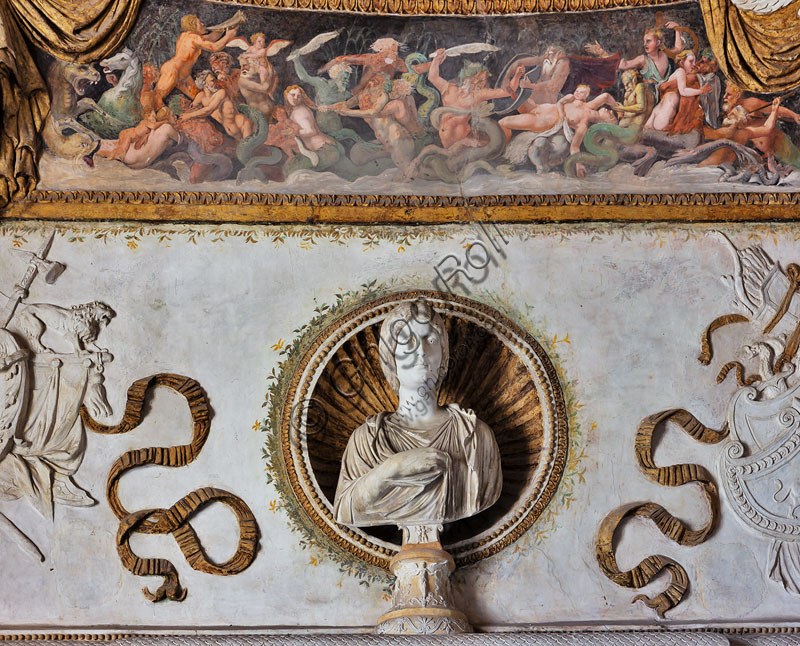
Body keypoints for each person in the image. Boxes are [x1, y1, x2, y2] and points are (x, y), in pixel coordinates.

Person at [333, 300, 502, 530]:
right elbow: (345, 508)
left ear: (443, 356)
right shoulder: (367, 441)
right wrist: (393, 468)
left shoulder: (475, 436)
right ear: (391, 357)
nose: (421, 351)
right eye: (408, 341)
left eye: (431, 340)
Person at [153, 14, 239, 110]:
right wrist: (228, 36)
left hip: (184, 76)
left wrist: (223, 29)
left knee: (198, 101)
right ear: (193, 26)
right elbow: (214, 47)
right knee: (157, 97)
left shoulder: (186, 36)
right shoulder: (194, 37)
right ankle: (149, 120)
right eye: (200, 23)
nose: (203, 24)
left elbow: (210, 38)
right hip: (173, 71)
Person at [586, 23, 684, 101]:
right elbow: (624, 65)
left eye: (648, 41)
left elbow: (678, 48)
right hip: (650, 99)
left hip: (667, 93)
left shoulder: (666, 54)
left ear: (658, 42)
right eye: (644, 41)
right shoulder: (643, 59)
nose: (645, 44)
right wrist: (603, 53)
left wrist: (677, 28)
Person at [645, 50, 711, 133]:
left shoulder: (680, 74)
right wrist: (700, 91)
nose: (694, 64)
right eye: (690, 61)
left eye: (694, 61)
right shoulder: (681, 72)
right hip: (666, 111)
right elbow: (683, 91)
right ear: (682, 62)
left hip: (658, 110)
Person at [179, 70, 254, 140]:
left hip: (243, 127)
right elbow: (190, 108)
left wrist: (189, 115)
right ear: (204, 83)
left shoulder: (221, 93)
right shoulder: (201, 97)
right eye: (212, 81)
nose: (216, 82)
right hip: (229, 135)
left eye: (215, 80)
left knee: (249, 152)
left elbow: (209, 109)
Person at [501, 44, 571, 107]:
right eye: (546, 53)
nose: (546, 56)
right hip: (533, 93)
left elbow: (553, 84)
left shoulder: (563, 63)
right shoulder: (546, 58)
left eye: (550, 53)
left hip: (547, 99)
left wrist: (530, 86)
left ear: (559, 53)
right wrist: (506, 78)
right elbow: (519, 62)